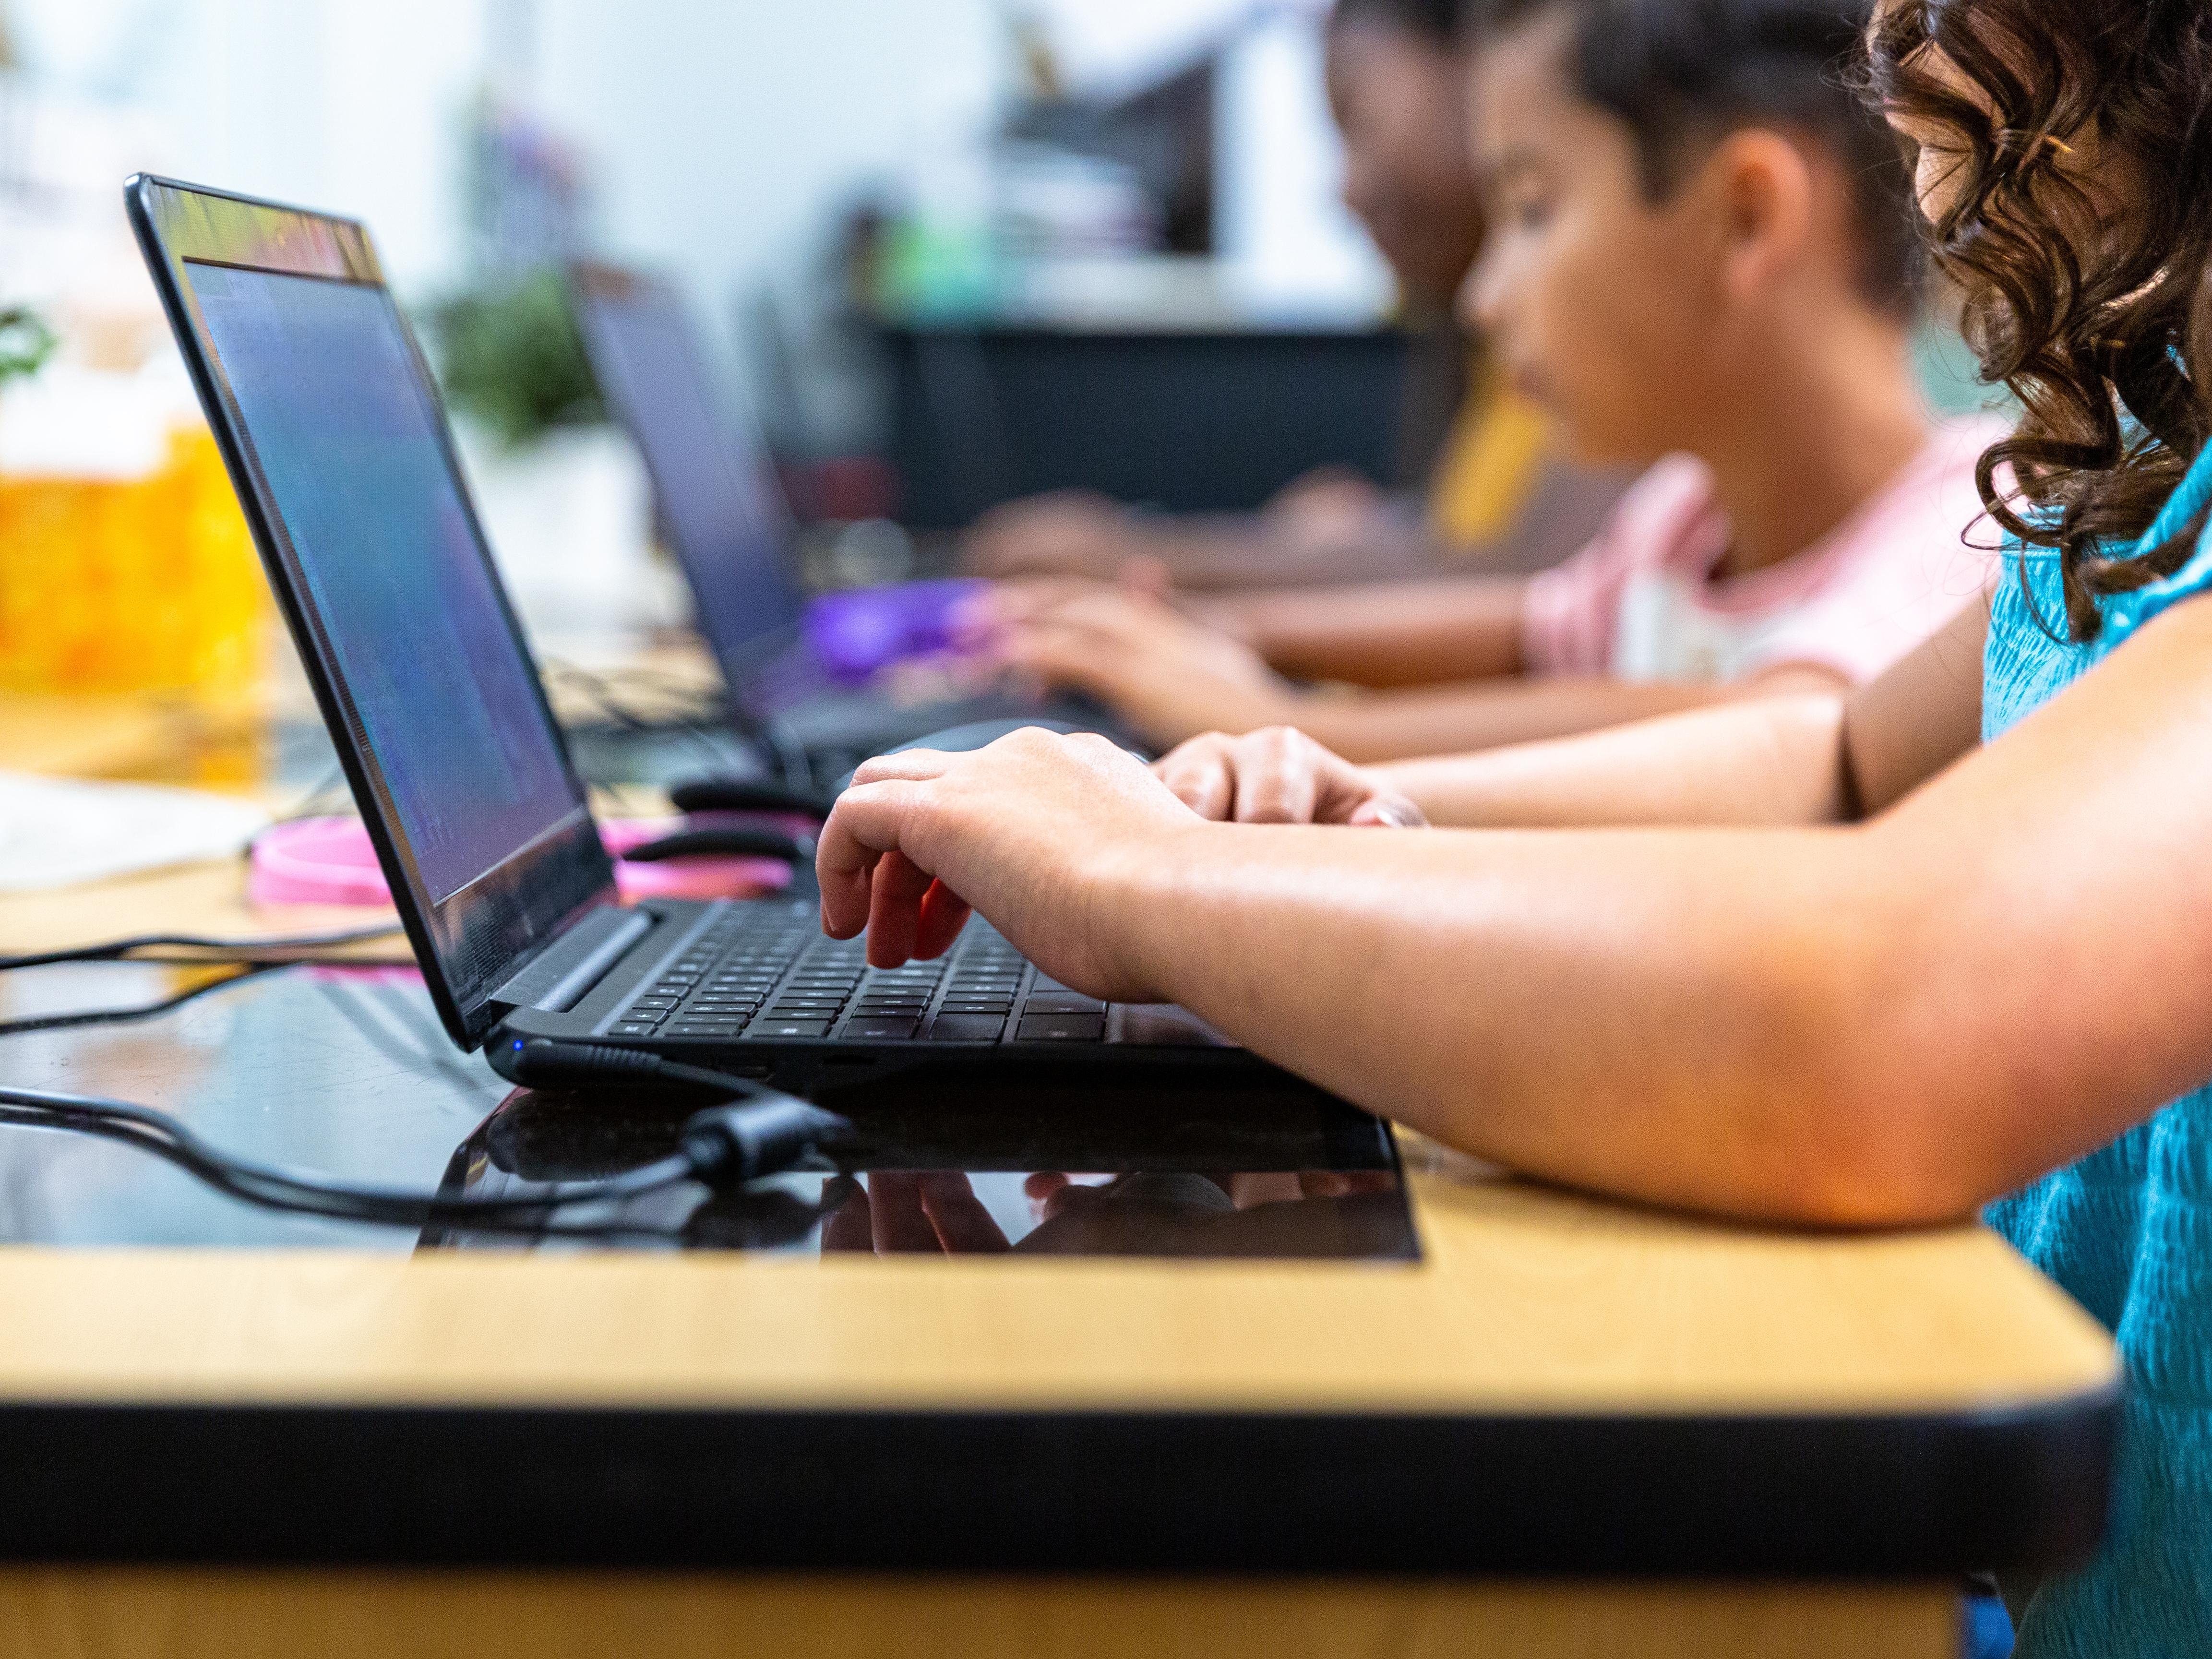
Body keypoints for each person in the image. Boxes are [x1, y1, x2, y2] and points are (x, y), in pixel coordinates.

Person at [813, 0, 2212, 1649]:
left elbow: (1885, 1018)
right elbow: (1833, 758)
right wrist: (1331, 819)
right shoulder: (2143, 463)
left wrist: (1152, 881)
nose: (1893, 29)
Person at [972, 0, 2006, 762]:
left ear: (1744, 218)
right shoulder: (1682, 522)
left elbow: (1783, 727)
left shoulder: (1964, 528)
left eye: (1532, 208)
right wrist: (1219, 633)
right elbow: (1532, 628)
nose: (1484, 296)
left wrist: (1289, 727)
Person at [960, 0, 1624, 592]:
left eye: (1355, 119)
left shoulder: (1608, 321)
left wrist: (1144, 566)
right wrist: (1355, 536)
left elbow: (1529, 589)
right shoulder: (1478, 333)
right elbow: (1469, 550)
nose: (1345, 189)